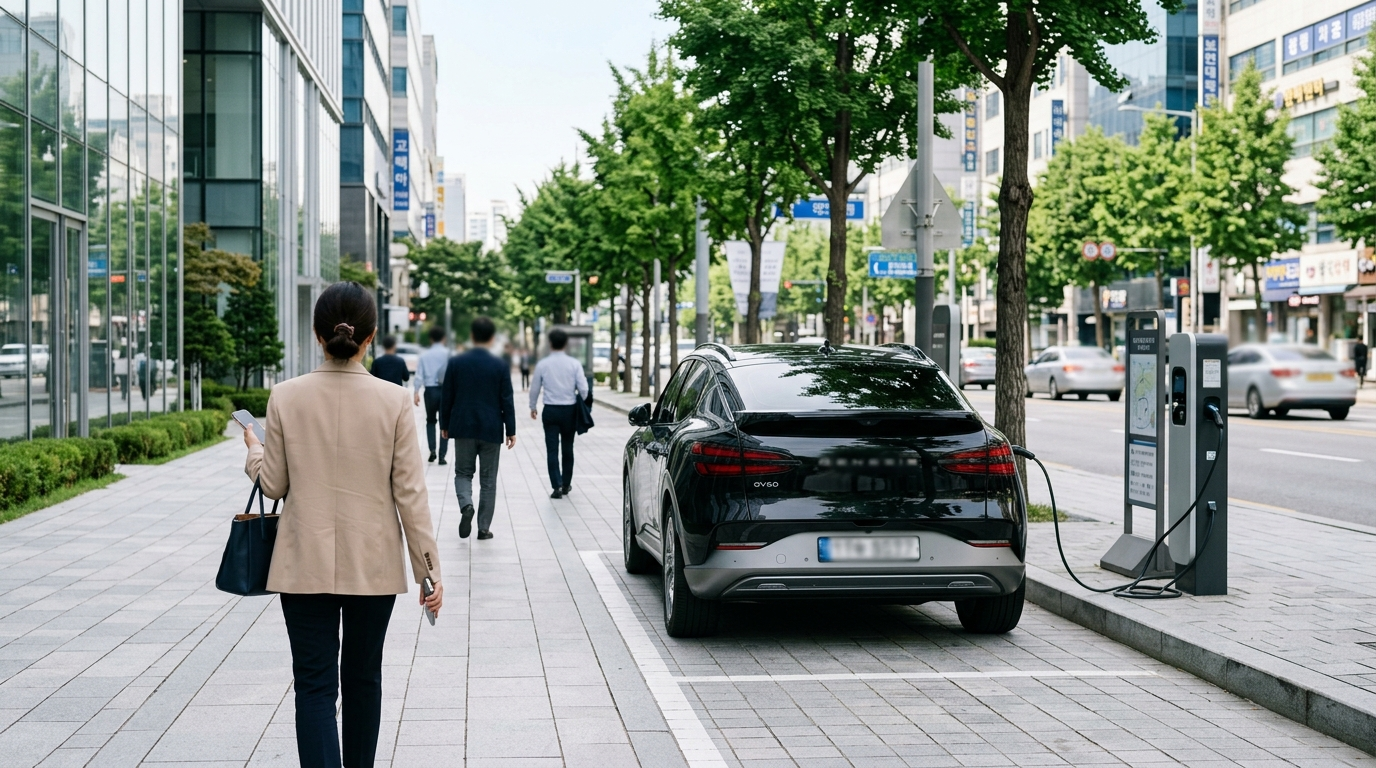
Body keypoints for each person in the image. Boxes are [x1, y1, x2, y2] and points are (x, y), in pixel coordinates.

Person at [241, 281, 442, 768]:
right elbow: (410, 495)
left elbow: (273, 484)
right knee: (363, 679)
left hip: (302, 562)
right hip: (372, 565)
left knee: (313, 685)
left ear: (317, 334)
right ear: (370, 337)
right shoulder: (394, 400)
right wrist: (429, 572)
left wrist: (253, 450)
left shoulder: (285, 396)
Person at [439, 316, 517, 540]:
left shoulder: (456, 362)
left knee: (463, 473)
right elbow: (506, 400)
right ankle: (483, 528)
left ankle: (466, 505)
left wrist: (445, 424)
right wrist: (511, 430)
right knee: (488, 480)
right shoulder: (500, 365)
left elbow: (447, 396)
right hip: (491, 428)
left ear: (472, 336)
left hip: (463, 426)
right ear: (492, 338)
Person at [529, 328, 589, 499]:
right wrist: (583, 401)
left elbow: (534, 388)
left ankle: (556, 486)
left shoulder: (543, 364)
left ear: (550, 343)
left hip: (550, 410)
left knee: (552, 449)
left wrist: (533, 406)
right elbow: (584, 389)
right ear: (566, 344)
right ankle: (566, 484)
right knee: (568, 448)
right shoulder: (574, 364)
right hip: (569, 410)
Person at [414, 326, 450, 464]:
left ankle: (432, 450)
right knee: (444, 423)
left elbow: (419, 375)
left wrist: (416, 391)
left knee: (430, 421)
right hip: (445, 391)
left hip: (430, 391)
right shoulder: (448, 354)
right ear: (443, 338)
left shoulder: (424, 356)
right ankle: (442, 456)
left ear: (431, 339)